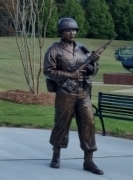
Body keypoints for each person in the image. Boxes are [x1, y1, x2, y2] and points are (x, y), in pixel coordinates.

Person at [43, 17, 103, 175]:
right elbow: (48, 71)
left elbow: (92, 71)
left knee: (89, 123)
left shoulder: (82, 49)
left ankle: (89, 161)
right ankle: (56, 155)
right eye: (69, 30)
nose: (72, 33)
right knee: (62, 123)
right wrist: (70, 74)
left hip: (83, 92)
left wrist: (94, 63)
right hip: (65, 92)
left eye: (74, 30)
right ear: (62, 32)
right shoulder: (55, 50)